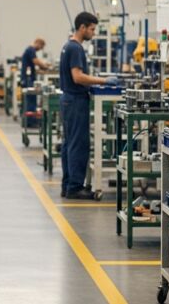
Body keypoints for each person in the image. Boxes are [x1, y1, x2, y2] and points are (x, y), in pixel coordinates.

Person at [59, 12, 118, 200]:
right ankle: (75, 187)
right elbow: (78, 77)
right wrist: (103, 81)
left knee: (69, 144)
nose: (93, 33)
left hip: (69, 100)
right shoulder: (75, 48)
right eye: (92, 29)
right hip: (76, 101)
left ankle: (68, 185)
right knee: (78, 145)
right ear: (82, 27)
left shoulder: (67, 45)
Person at [20, 38, 51, 126]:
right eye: (41, 46)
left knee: (29, 100)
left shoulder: (30, 50)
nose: (40, 49)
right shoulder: (31, 49)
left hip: (27, 78)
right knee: (31, 99)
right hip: (28, 79)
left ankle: (28, 120)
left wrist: (44, 65)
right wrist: (46, 67)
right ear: (38, 43)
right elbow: (36, 61)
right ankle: (30, 122)